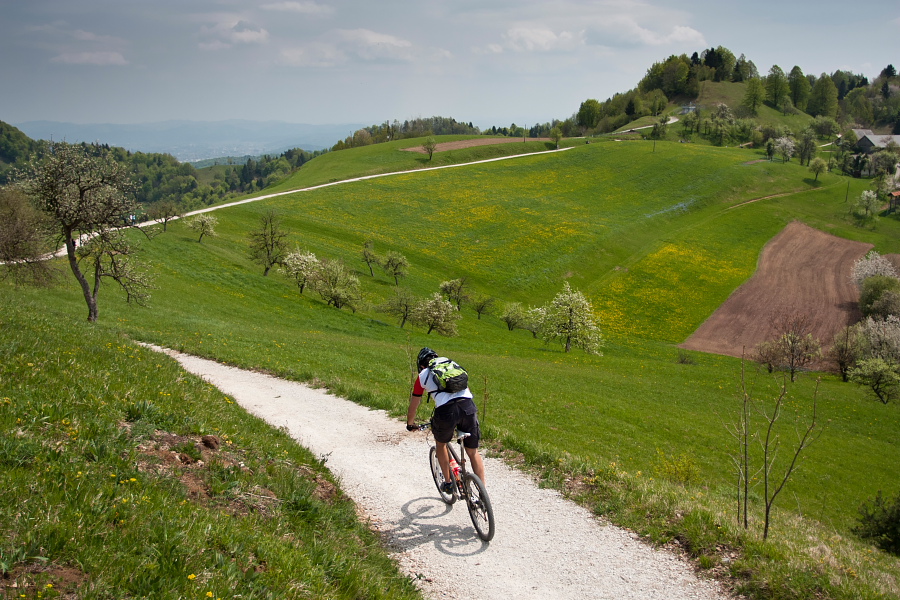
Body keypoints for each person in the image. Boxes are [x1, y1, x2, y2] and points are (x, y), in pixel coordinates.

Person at [406, 347, 486, 491]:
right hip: (468, 406)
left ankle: (448, 483)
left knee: (441, 444)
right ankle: (482, 492)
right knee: (473, 452)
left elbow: (414, 404)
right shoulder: (450, 363)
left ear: (421, 365)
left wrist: (410, 424)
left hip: (446, 411)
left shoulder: (423, 375)